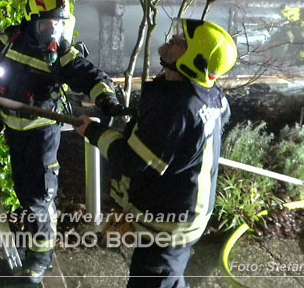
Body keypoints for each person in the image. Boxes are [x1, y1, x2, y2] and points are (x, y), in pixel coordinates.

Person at [0, 0, 122, 284]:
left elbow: (90, 75)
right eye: (46, 25)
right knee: (25, 193)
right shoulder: (10, 40)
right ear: (31, 21)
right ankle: (35, 246)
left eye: (57, 24)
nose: (52, 31)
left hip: (42, 134)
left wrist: (106, 98)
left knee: (41, 198)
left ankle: (40, 260)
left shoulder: (60, 53)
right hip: (14, 130)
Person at [75, 18, 237, 288]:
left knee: (154, 280)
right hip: (185, 216)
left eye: (181, 42)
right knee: (169, 277)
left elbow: (132, 161)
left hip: (168, 226)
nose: (173, 39)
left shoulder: (176, 108)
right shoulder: (210, 95)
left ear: (194, 60)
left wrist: (93, 132)